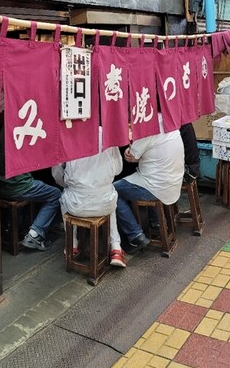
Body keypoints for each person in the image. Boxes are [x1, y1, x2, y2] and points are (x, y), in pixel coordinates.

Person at [52, 127, 126, 267]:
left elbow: (57, 175)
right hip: (105, 203)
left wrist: (70, 184)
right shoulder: (107, 133)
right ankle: (116, 248)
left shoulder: (65, 136)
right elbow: (118, 169)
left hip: (76, 206)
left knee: (64, 197)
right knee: (111, 201)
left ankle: (72, 244)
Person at [113, 114, 185, 253]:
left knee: (112, 191)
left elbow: (132, 157)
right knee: (150, 174)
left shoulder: (147, 127)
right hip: (174, 182)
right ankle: (157, 222)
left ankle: (135, 235)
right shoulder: (170, 122)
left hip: (155, 186)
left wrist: (128, 150)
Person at [0, 111, 61, 251]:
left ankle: (28, 226)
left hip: (0, 186)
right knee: (56, 194)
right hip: (18, 186)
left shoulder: (2, 127)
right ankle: (35, 234)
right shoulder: (24, 130)